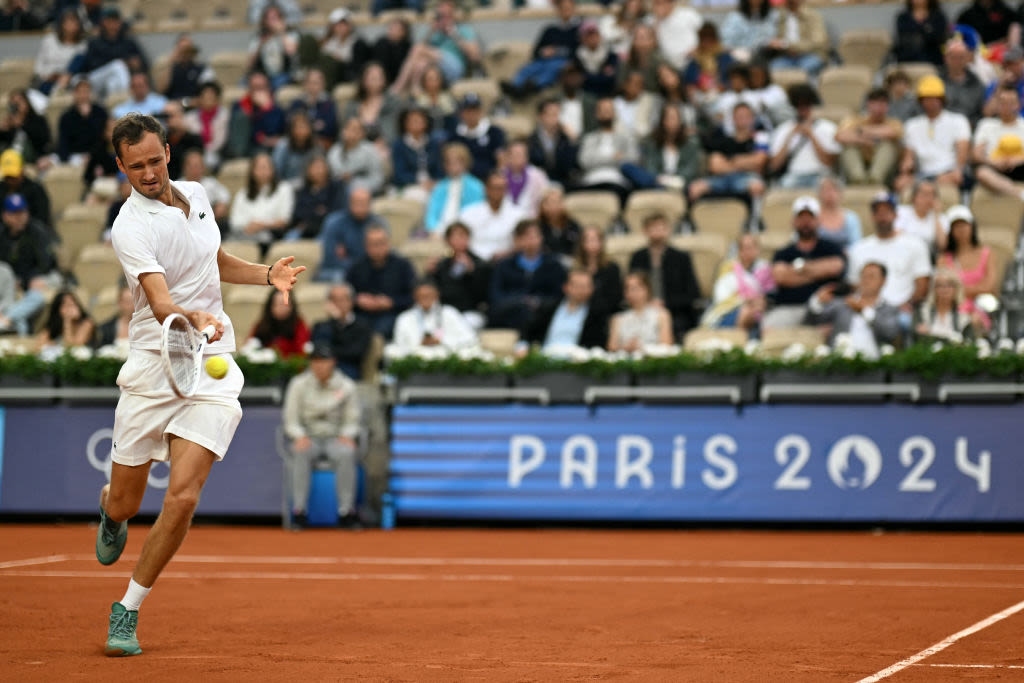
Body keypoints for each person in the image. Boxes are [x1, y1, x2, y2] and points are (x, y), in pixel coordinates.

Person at [99, 112, 304, 657]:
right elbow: (161, 300)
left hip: (210, 359)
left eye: (154, 160)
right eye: (134, 166)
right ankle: (110, 511)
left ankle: (128, 609)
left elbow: (211, 261)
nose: (147, 173)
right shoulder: (130, 226)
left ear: (168, 151)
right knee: (126, 501)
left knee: (184, 498)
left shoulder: (197, 193)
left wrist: (266, 275)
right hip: (153, 362)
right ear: (120, 167)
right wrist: (189, 315)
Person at [281, 341, 363, 529]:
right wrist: (299, 435)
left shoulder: (347, 386)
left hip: (336, 437)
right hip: (309, 437)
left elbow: (353, 418)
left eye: (324, 361)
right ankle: (299, 511)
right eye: (315, 361)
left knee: (347, 453)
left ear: (333, 362)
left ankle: (346, 512)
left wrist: (347, 434)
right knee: (300, 452)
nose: (319, 365)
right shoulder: (298, 384)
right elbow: (290, 418)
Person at [764, 197, 846, 329]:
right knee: (769, 326)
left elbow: (835, 267)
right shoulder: (784, 253)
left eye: (810, 218)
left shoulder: (832, 248)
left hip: (825, 306)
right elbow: (780, 276)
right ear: (794, 221)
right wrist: (819, 271)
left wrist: (797, 270)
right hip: (789, 307)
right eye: (801, 218)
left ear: (818, 220)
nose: (805, 222)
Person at [847, 193, 932, 311]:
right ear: (872, 216)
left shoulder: (915, 244)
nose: (882, 216)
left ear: (896, 214)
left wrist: (909, 305)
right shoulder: (858, 248)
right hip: (865, 309)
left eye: (887, 212)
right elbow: (854, 285)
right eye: (878, 212)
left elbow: (922, 283)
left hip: (902, 311)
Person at [806, 262, 901, 358]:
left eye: (871, 276)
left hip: (875, 365)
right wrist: (817, 301)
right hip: (840, 362)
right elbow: (814, 320)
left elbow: (890, 333)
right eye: (863, 276)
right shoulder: (844, 303)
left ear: (883, 281)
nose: (866, 280)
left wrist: (865, 311)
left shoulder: (889, 309)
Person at [628, 213, 701, 338]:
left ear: (668, 230)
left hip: (675, 312)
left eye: (661, 227)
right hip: (641, 310)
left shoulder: (681, 258)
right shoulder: (638, 257)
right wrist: (647, 303)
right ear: (645, 231)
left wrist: (663, 303)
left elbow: (693, 293)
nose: (657, 231)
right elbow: (630, 287)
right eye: (653, 227)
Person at [896, 76, 971, 194]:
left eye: (935, 98)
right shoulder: (912, 125)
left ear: (942, 99)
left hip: (948, 172)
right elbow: (908, 156)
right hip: (923, 174)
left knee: (957, 177)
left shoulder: (958, 120)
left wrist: (958, 170)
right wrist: (906, 169)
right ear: (921, 101)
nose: (931, 102)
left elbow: (962, 152)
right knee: (900, 183)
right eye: (927, 98)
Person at [489, 219, 568, 331]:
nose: (531, 241)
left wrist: (538, 302)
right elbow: (496, 296)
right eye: (526, 236)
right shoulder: (504, 265)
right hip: (509, 316)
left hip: (541, 319)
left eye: (535, 236)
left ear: (541, 238)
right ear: (517, 240)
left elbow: (559, 297)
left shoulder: (554, 266)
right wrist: (521, 301)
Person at [389, 0, 480, 94]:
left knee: (419, 50)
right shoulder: (432, 30)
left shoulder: (464, 29)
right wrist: (431, 31)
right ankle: (415, 89)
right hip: (434, 67)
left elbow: (475, 57)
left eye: (447, 15)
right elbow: (413, 52)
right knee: (420, 63)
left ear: (453, 14)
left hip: (455, 67)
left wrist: (454, 33)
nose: (444, 19)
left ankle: (397, 87)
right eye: (441, 16)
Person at [687, 103, 769, 205]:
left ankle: (755, 221)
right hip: (722, 179)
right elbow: (715, 166)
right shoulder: (724, 139)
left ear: (752, 119)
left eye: (746, 116)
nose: (743, 120)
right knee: (695, 188)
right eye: (739, 116)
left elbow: (759, 162)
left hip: (746, 178)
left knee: (757, 187)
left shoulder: (760, 138)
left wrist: (730, 162)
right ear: (733, 119)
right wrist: (743, 162)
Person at [0, 193, 57, 335]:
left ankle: (6, 318)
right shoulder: (2, 234)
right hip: (13, 280)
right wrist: (16, 280)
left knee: (36, 296)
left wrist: (29, 279)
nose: (20, 217)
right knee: (18, 313)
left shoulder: (37, 230)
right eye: (15, 213)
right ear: (5, 216)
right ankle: (15, 329)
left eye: (23, 212)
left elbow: (46, 263)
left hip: (42, 275)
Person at [347, 225, 415, 338]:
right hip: (362, 314)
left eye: (381, 243)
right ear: (366, 246)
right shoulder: (356, 267)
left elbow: (412, 296)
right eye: (373, 244)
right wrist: (357, 299)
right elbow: (346, 293)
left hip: (393, 314)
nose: (377, 248)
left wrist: (391, 302)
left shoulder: (403, 266)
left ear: (388, 243)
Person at [503, 0, 581, 98]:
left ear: (574, 9)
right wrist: (543, 52)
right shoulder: (550, 29)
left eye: (568, 8)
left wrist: (557, 51)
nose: (565, 11)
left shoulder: (579, 29)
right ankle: (515, 86)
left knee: (552, 68)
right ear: (558, 10)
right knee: (527, 68)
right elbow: (536, 51)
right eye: (562, 8)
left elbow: (578, 51)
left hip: (563, 61)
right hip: (543, 60)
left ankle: (534, 86)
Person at [937, 205, 996, 333]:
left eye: (964, 225)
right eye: (956, 226)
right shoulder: (943, 258)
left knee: (974, 321)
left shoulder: (986, 253)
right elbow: (940, 287)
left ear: (972, 227)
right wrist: (973, 289)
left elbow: (990, 287)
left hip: (979, 308)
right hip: (951, 309)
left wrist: (957, 289)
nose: (961, 230)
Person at [769, 84, 839, 189]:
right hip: (794, 175)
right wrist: (790, 136)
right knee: (783, 186)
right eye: (799, 106)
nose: (803, 110)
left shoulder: (827, 127)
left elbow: (829, 162)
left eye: (806, 106)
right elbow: (774, 165)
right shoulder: (784, 129)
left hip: (820, 174)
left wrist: (811, 135)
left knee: (827, 187)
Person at [524, 268, 610, 352]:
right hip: (545, 357)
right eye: (577, 286)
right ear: (565, 287)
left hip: (578, 361)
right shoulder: (549, 308)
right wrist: (522, 346)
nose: (581, 290)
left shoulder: (598, 313)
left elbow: (598, 345)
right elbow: (529, 332)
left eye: (585, 286)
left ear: (592, 289)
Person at [702, 233, 774, 332]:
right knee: (746, 312)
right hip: (730, 311)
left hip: (761, 312)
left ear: (758, 249)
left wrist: (762, 302)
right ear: (739, 251)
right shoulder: (728, 267)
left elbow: (771, 294)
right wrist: (745, 300)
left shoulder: (765, 268)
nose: (748, 251)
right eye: (744, 248)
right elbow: (721, 296)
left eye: (752, 247)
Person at [427, 221, 490, 330]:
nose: (460, 240)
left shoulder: (480, 264)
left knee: (466, 324)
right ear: (447, 240)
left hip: (470, 312)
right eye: (455, 237)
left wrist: (472, 273)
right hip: (445, 311)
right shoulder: (442, 265)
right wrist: (429, 273)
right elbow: (434, 290)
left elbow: (484, 295)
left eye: (463, 236)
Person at [577, 97, 640, 205]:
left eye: (609, 110)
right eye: (603, 110)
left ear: (615, 113)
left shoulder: (626, 138)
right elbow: (584, 162)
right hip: (592, 181)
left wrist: (597, 158)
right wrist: (614, 158)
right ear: (597, 114)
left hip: (617, 181)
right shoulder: (589, 138)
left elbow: (633, 159)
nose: (606, 113)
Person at [76, 6, 147, 99]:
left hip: (117, 81)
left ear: (120, 23)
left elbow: (144, 63)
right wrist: (125, 62)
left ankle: (113, 108)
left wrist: (136, 64)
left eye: (115, 21)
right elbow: (91, 65)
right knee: (118, 65)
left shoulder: (128, 42)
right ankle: (127, 98)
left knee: (112, 83)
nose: (112, 25)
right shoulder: (95, 42)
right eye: (109, 21)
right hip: (96, 80)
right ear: (103, 23)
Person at [836, 88, 904, 187]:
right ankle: (858, 179)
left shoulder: (894, 122)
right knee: (849, 147)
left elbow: (893, 132)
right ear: (868, 104)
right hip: (859, 165)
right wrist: (863, 140)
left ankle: (875, 179)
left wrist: (861, 131)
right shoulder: (855, 120)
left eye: (882, 103)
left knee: (887, 146)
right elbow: (839, 136)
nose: (878, 107)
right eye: (875, 103)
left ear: (888, 106)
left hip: (887, 174)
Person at [317, 187, 387, 281]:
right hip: (338, 271)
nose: (360, 207)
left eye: (364, 203)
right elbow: (331, 259)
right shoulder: (334, 222)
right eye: (356, 202)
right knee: (340, 278)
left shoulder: (379, 223)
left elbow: (383, 253)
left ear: (370, 204)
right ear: (349, 203)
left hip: (371, 269)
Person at [228, 152, 295, 248]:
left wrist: (261, 225)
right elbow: (235, 221)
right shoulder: (243, 193)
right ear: (252, 171)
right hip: (243, 235)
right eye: (259, 168)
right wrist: (250, 226)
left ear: (273, 170)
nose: (263, 171)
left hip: (272, 236)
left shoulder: (284, 189)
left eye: (266, 167)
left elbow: (284, 220)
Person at [392, 279, 478, 353]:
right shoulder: (405, 318)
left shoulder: (449, 313)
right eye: (421, 296)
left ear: (437, 295)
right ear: (415, 297)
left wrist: (441, 341)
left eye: (429, 296)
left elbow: (470, 339)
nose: (425, 300)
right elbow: (399, 346)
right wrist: (419, 344)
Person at [457, 172, 526, 262]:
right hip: (474, 262)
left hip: (507, 261)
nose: (498, 192)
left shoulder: (519, 215)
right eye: (494, 188)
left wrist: (508, 253)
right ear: (486, 189)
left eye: (501, 188)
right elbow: (459, 239)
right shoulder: (468, 213)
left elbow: (523, 242)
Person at [310, 283, 374, 378]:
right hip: (321, 367)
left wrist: (337, 321)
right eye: (334, 300)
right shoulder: (321, 325)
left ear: (351, 301)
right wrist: (334, 322)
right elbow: (317, 349)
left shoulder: (362, 325)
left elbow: (355, 353)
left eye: (342, 299)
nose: (338, 303)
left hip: (347, 367)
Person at [972, 85, 1024, 201]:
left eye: (1011, 102)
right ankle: (1019, 193)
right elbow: (976, 155)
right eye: (1003, 102)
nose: (1007, 107)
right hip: (994, 167)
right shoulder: (986, 124)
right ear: (997, 105)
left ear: (1018, 105)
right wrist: (993, 162)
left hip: (1020, 166)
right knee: (981, 172)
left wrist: (1017, 160)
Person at [424, 142, 485, 234]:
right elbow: (431, 215)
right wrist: (434, 230)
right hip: (440, 231)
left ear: (465, 163)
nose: (453, 166)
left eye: (457, 162)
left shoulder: (476, 186)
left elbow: (475, 214)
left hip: (465, 231)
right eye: (449, 162)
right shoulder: (439, 187)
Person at [640, 105, 703, 192]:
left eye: (674, 118)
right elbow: (650, 168)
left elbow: (691, 170)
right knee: (629, 168)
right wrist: (662, 179)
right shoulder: (652, 144)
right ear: (662, 121)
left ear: (680, 121)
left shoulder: (691, 144)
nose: (671, 121)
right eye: (668, 118)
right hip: (657, 183)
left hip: (681, 184)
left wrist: (671, 180)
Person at [608, 271, 673, 351]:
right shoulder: (618, 318)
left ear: (647, 289)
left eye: (635, 288)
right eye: (627, 289)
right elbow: (611, 347)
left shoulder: (661, 315)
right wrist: (625, 347)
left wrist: (642, 347)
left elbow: (666, 345)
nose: (631, 293)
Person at [448, 93, 507, 182]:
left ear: (480, 112)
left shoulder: (494, 132)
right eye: (468, 111)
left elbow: (501, 158)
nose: (471, 114)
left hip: (488, 180)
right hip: (461, 180)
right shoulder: (455, 135)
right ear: (461, 113)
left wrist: (498, 175)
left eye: (475, 110)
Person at [341, 61, 402, 143]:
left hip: (384, 148)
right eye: (371, 77)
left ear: (384, 80)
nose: (375, 80)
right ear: (363, 80)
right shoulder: (352, 105)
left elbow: (394, 132)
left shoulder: (393, 103)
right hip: (356, 147)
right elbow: (344, 133)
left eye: (378, 77)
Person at [391, 106, 443, 200]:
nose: (416, 123)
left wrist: (433, 182)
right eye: (412, 120)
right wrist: (420, 181)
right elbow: (399, 174)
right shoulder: (399, 145)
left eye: (420, 120)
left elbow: (438, 169)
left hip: (432, 183)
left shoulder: (433, 144)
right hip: (409, 185)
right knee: (423, 196)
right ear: (405, 124)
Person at [230, 71, 286, 156]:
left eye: (261, 87)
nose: (258, 91)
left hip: (268, 149)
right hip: (246, 147)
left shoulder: (276, 110)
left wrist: (266, 109)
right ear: (249, 89)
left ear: (268, 88)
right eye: (255, 87)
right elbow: (245, 135)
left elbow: (272, 131)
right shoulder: (239, 106)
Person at [914, 267, 976, 342]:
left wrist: (931, 334)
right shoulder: (922, 312)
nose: (944, 289)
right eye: (939, 285)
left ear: (956, 289)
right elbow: (915, 338)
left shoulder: (963, 317)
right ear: (933, 289)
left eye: (949, 285)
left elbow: (968, 343)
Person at [767, 0, 828, 77]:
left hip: (810, 55)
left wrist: (787, 45)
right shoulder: (780, 16)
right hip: (786, 57)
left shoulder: (813, 16)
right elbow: (775, 38)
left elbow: (818, 42)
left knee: (802, 71)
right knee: (773, 68)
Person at [528, 99, 579, 189]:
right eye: (551, 114)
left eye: (557, 114)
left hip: (562, 182)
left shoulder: (565, 139)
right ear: (540, 116)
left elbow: (571, 165)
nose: (554, 118)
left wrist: (572, 141)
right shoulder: (531, 139)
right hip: (538, 183)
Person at [290, 155, 345, 240]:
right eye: (314, 168)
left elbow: (335, 212)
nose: (318, 171)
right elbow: (298, 213)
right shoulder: (304, 190)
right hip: (304, 230)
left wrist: (311, 213)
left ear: (327, 169)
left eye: (320, 167)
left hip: (326, 229)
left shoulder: (335, 187)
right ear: (308, 171)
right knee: (290, 239)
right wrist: (317, 211)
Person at [573, 225, 623, 317]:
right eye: (588, 240)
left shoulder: (612, 268)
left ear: (602, 242)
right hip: (579, 313)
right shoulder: (575, 268)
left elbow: (616, 298)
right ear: (582, 243)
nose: (592, 243)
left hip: (606, 314)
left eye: (596, 240)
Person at [33, 8, 86, 95]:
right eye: (68, 22)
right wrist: (48, 76)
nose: (71, 25)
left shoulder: (82, 45)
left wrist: (63, 76)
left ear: (79, 25)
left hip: (68, 82)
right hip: (46, 80)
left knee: (79, 58)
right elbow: (38, 68)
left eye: (74, 22)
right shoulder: (49, 40)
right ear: (61, 24)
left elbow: (79, 70)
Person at [327, 117, 385, 195]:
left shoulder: (371, 150)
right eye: (348, 128)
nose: (351, 132)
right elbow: (331, 178)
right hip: (339, 194)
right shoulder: (334, 151)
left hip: (365, 193)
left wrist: (359, 188)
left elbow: (378, 179)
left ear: (363, 133)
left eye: (356, 129)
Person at [57, 78, 109, 164]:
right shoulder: (66, 116)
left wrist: (88, 118)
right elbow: (63, 142)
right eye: (79, 92)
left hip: (96, 155)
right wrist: (65, 160)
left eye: (85, 92)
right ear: (74, 94)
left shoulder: (100, 113)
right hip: (73, 156)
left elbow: (101, 138)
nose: (83, 96)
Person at [248, 4, 299, 90]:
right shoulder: (259, 37)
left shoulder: (290, 34)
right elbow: (250, 64)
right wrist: (260, 45)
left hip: (284, 74)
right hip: (264, 74)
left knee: (275, 83)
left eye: (275, 18)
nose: (272, 22)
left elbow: (291, 52)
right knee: (246, 82)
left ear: (281, 19)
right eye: (269, 18)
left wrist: (282, 33)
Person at [249, 288, 311, 357]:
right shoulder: (262, 325)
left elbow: (302, 352)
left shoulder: (298, 324)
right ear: (270, 306)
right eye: (277, 304)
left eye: (285, 304)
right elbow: (249, 347)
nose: (281, 308)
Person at [317, 8, 370, 87]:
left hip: (348, 75)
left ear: (350, 25)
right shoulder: (330, 42)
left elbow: (356, 66)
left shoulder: (358, 43)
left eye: (343, 24)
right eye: (337, 25)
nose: (340, 27)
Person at [0, 149, 52, 229]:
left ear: (22, 170)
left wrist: (21, 221)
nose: (10, 180)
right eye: (7, 177)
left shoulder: (35, 190)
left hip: (31, 234)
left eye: (13, 176)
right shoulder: (1, 189)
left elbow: (42, 219)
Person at [940, 38, 986, 126]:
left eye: (961, 57)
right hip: (941, 126)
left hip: (969, 127)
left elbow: (981, 113)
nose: (957, 61)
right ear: (945, 58)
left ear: (967, 59)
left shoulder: (977, 83)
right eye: (953, 57)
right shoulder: (937, 82)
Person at [178, 150, 231, 227]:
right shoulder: (177, 185)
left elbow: (225, 195)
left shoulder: (211, 183)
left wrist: (221, 205)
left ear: (203, 168)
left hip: (209, 223)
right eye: (191, 166)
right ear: (184, 168)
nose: (195, 170)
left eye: (198, 166)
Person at [184, 81, 230, 170]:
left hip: (217, 152)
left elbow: (220, 142)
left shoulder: (224, 115)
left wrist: (205, 152)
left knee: (210, 159)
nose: (208, 100)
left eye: (211, 97)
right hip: (197, 152)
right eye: (205, 97)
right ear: (199, 99)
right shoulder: (189, 117)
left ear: (217, 99)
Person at [288, 68, 339, 148]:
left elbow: (330, 128)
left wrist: (306, 126)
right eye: (310, 83)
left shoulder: (329, 103)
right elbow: (291, 125)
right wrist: (315, 125)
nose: (312, 86)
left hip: (322, 141)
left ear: (323, 85)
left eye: (316, 83)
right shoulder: (297, 102)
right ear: (304, 84)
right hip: (299, 140)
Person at [0, 89, 52, 166]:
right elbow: (5, 142)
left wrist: (22, 125)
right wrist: (4, 130)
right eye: (14, 103)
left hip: (32, 154)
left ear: (27, 102)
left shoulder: (38, 120)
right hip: (11, 154)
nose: (17, 106)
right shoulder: (10, 121)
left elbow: (43, 141)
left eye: (19, 102)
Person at [894, 180, 948, 253]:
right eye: (925, 194)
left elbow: (943, 245)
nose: (929, 198)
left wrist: (936, 215)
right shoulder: (902, 212)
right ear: (914, 197)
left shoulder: (940, 217)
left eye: (932, 195)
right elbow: (895, 236)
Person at [571, 20, 620, 98]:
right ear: (583, 38)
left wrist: (589, 77)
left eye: (595, 34)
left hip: (607, 93)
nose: (593, 38)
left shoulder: (610, 55)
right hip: (585, 94)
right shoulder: (577, 56)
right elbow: (579, 79)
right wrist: (602, 76)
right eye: (589, 35)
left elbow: (611, 79)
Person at [648, 0, 701, 71]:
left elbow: (704, 34)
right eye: (656, 3)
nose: (659, 6)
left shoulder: (688, 14)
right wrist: (657, 21)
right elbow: (652, 45)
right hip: (668, 68)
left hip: (692, 62)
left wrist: (697, 49)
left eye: (661, 3)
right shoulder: (650, 21)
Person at [893, 0, 949, 66]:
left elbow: (939, 38)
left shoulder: (938, 17)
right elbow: (904, 39)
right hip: (908, 61)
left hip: (933, 61)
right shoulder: (902, 18)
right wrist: (926, 30)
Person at [160, 34, 214, 102]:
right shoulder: (171, 68)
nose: (184, 53)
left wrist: (186, 103)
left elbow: (207, 95)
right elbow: (160, 90)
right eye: (181, 49)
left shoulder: (202, 69)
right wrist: (170, 63)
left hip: (193, 108)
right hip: (171, 106)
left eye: (187, 49)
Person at [502, 141, 549, 218]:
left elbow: (544, 199)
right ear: (508, 157)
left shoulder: (538, 175)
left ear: (527, 157)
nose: (518, 158)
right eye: (515, 154)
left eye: (521, 154)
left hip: (531, 219)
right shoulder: (500, 175)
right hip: (505, 219)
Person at [273, 110, 319, 183]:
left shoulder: (315, 146)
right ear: (292, 129)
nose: (301, 130)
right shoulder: (282, 146)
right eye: (298, 127)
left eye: (304, 127)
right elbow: (276, 172)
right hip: (287, 186)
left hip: (309, 188)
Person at [816, 176, 862, 249]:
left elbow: (856, 245)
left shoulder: (851, 218)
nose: (829, 194)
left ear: (840, 193)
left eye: (833, 189)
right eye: (825, 190)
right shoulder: (813, 217)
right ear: (819, 194)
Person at [162, 102, 205, 182]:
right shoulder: (161, 141)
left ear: (180, 115)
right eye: (165, 116)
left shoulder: (194, 140)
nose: (168, 119)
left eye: (171, 115)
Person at [614, 69, 660, 142]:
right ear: (625, 85)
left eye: (640, 84)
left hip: (643, 143)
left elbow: (651, 127)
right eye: (634, 83)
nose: (638, 87)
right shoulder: (615, 104)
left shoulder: (649, 102)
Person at [538, 186, 582, 259]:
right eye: (551, 202)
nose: (555, 206)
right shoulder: (537, 228)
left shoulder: (572, 226)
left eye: (558, 202)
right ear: (543, 205)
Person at [372, 17, 412, 86]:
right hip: (382, 78)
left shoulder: (408, 46)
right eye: (391, 28)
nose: (393, 31)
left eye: (397, 29)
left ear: (404, 32)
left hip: (400, 80)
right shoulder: (381, 43)